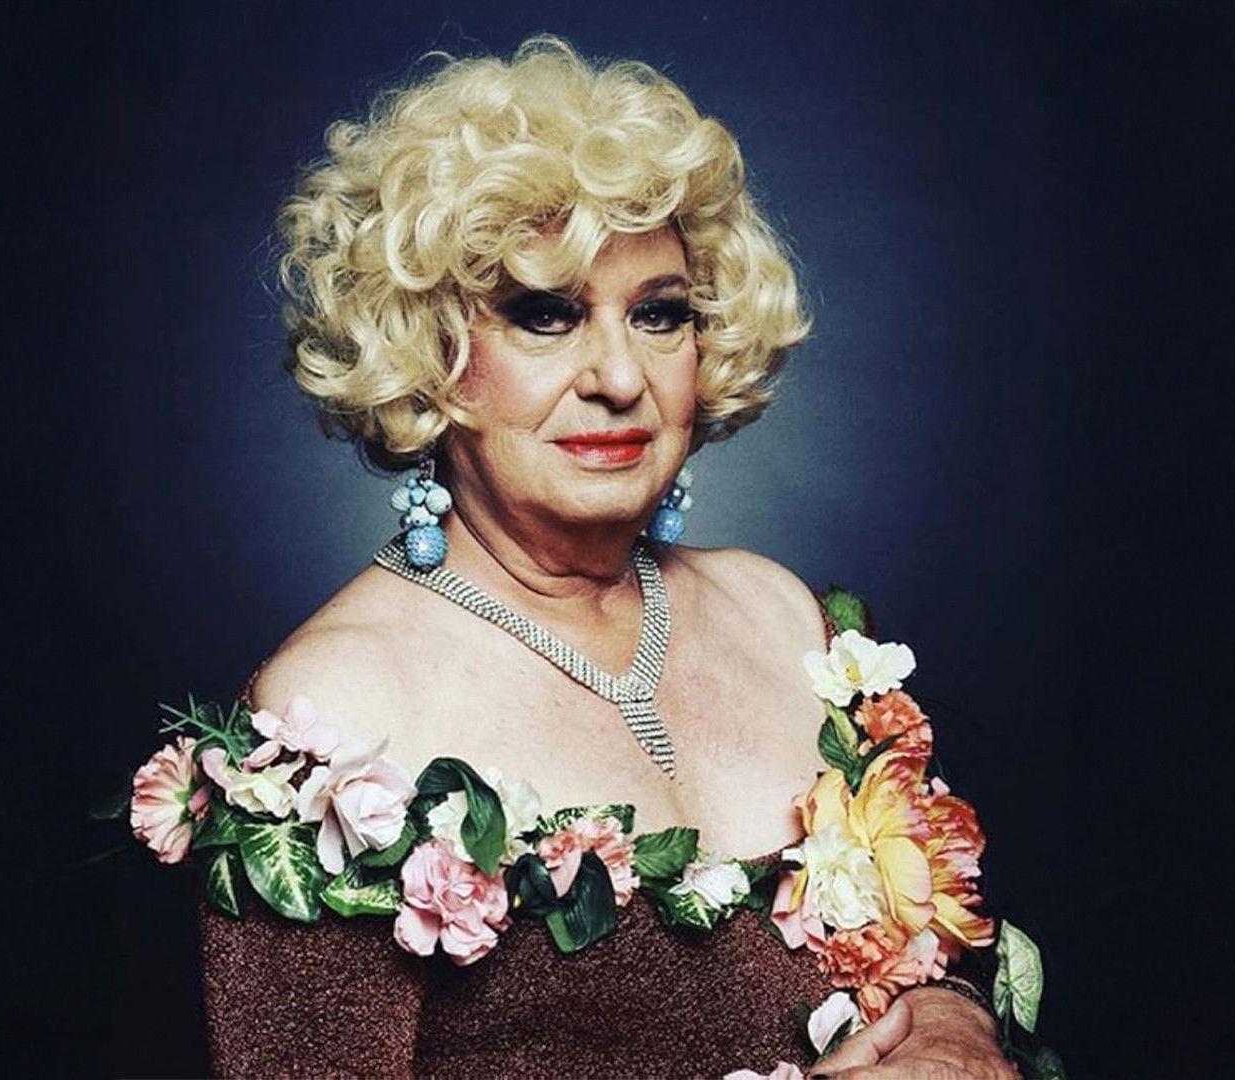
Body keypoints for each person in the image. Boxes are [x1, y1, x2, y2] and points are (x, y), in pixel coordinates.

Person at [197, 35, 1016, 1079]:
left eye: (660, 315)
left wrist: (950, 1018)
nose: (620, 378)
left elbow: (934, 944)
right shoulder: (333, 716)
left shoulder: (782, 617)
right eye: (545, 315)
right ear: (429, 349)